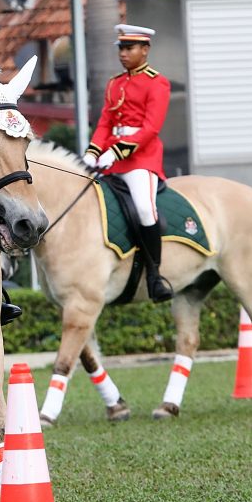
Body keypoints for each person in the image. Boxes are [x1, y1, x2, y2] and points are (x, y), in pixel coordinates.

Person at [83, 23, 173, 302]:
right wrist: (92, 151)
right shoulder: (115, 83)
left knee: (145, 209)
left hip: (141, 160)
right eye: (121, 48)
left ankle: (155, 276)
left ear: (145, 50)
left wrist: (117, 151)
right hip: (110, 158)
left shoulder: (157, 82)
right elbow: (106, 122)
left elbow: (151, 129)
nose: (123, 53)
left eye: (129, 48)